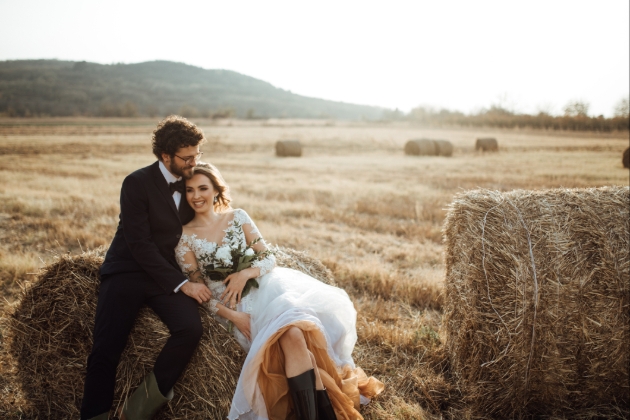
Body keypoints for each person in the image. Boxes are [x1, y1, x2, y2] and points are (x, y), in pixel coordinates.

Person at [176, 162, 384, 420]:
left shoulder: (238, 217)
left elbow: (268, 258)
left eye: (203, 188)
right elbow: (200, 292)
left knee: (294, 333)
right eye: (189, 190)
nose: (196, 196)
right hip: (232, 308)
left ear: (216, 190)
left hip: (266, 291)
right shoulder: (185, 236)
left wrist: (244, 274)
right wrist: (234, 317)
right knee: (294, 338)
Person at [81, 116, 214, 420]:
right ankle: (94, 415)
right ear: (165, 156)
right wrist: (184, 285)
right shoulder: (136, 182)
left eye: (198, 154)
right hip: (127, 271)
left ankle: (137, 411)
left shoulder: (192, 183)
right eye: (187, 156)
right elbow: (139, 244)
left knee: (190, 329)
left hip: (162, 276)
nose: (194, 161)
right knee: (105, 349)